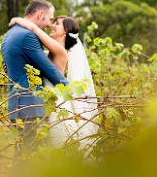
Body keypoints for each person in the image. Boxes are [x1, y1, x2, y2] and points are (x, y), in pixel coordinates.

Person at [8, 14, 99, 152]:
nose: (52, 25)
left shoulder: (61, 52)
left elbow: (34, 29)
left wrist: (17, 20)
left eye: (57, 23)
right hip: (44, 103)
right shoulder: (45, 55)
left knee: (57, 146)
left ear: (65, 32)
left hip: (56, 105)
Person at [1, 0, 69, 154]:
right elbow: (49, 70)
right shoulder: (27, 36)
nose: (50, 25)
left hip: (16, 107)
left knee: (23, 156)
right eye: (50, 19)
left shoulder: (9, 34)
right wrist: (70, 90)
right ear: (40, 14)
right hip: (31, 108)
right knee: (33, 160)